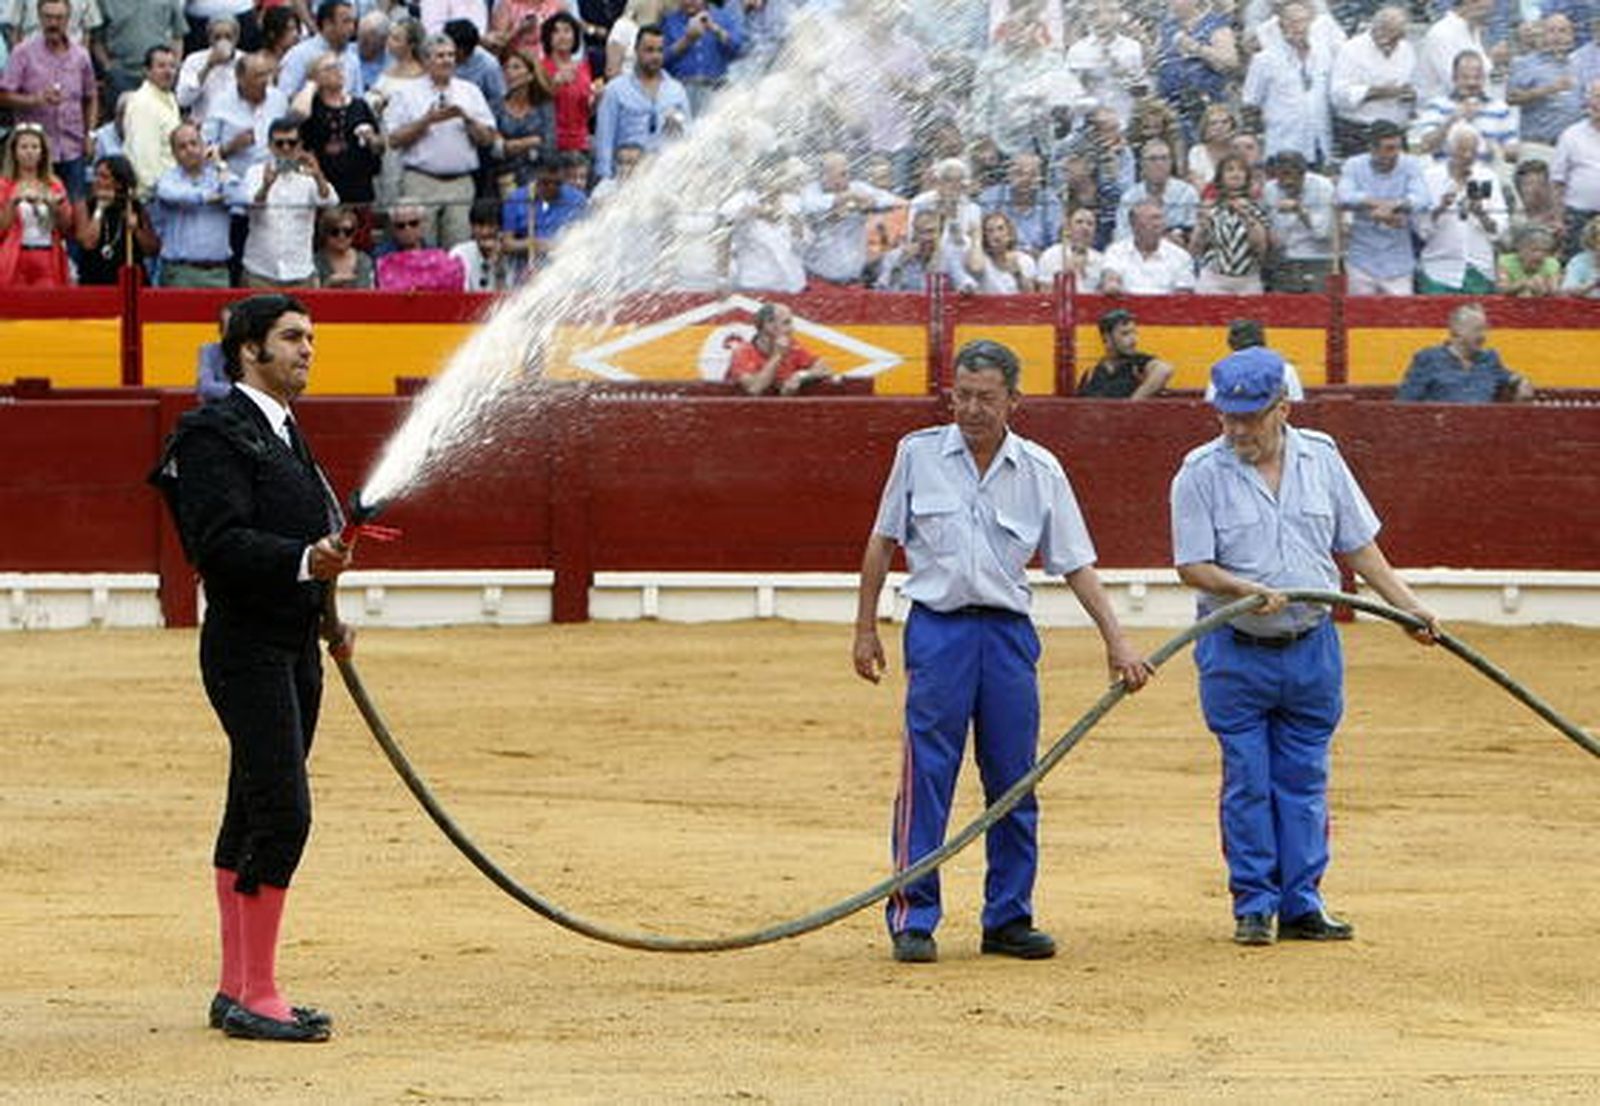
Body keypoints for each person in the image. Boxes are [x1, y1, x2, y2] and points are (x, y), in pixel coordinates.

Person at [852, 339, 1152, 965]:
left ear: (1014, 400)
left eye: (985, 397)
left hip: (1008, 637)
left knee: (1015, 779)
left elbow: (1076, 564)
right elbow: (882, 544)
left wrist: (1117, 643)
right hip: (938, 631)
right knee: (927, 777)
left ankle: (1009, 917)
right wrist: (865, 629)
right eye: (961, 395)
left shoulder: (1041, 469)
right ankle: (914, 916)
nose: (970, 408)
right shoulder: (918, 454)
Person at [1170, 346, 1440, 947]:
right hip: (1234, 649)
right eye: (1228, 417)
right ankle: (1254, 903)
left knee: (1304, 778)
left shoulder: (1323, 459)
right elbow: (1191, 564)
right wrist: (1240, 587)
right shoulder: (1198, 471)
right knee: (1248, 778)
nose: (1237, 429)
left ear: (1282, 408)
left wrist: (1406, 605)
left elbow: (1360, 548)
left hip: (1312, 646)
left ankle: (1301, 902)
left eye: (1251, 417)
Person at [146, 292, 353, 1043]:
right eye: (292, 337)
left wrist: (328, 616)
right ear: (247, 351)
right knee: (282, 812)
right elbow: (219, 545)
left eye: (310, 338)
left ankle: (236, 988)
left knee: (250, 810)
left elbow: (304, 542)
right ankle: (259, 993)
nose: (307, 349)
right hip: (245, 647)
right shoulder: (213, 434)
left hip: (293, 643)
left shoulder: (283, 432)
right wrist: (305, 559)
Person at [385, 32, 497, 249]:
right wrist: (426, 121)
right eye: (440, 56)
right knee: (421, 247)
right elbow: (394, 139)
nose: (447, 60)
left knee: (459, 249)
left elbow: (488, 138)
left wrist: (466, 118)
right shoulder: (407, 93)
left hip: (460, 182)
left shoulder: (470, 91)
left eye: (451, 55)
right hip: (420, 181)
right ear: (426, 61)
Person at [0, 0, 100, 200]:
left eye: (59, 18)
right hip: (34, 153)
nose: (53, 23)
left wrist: (90, 133)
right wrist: (34, 100)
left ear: (68, 19)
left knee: (73, 212)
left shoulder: (81, 55)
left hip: (72, 149)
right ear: (39, 17)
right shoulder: (22, 53)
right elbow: (3, 96)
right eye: (48, 17)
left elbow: (91, 96)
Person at [234, 117, 340, 288]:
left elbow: (331, 202)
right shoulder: (255, 172)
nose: (285, 148)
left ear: (300, 145)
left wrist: (319, 176)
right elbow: (249, 207)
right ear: (270, 145)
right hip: (260, 272)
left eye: (291, 143)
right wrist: (266, 186)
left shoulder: (309, 175)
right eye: (280, 143)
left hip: (300, 273)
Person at [1336, 119, 1430, 295]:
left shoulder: (1410, 164)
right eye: (1388, 148)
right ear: (1372, 149)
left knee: (1400, 317)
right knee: (1361, 318)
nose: (1395, 154)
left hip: (1398, 260)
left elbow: (1423, 198)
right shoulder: (1354, 165)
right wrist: (1377, 205)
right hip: (1362, 258)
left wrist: (1394, 206)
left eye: (1397, 147)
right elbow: (1343, 196)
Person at [591, 23, 690, 180]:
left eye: (660, 50)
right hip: (626, 177)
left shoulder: (677, 91)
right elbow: (604, 141)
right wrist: (605, 182)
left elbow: (687, 138)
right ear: (636, 51)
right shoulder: (615, 90)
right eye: (649, 50)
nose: (655, 56)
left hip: (666, 177)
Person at [1417, 122, 1505, 294]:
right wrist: (1440, 208)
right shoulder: (1430, 177)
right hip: (1438, 269)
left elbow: (1499, 230)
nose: (1467, 156)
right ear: (1449, 150)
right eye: (1462, 150)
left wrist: (1482, 215)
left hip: (1478, 268)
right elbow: (1420, 229)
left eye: (1472, 151)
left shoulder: (1487, 177)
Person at [1329, 5, 1417, 161]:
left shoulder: (1406, 49)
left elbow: (1415, 86)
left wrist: (1410, 94)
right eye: (1386, 33)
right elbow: (1338, 96)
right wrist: (1377, 92)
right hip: (1360, 133)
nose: (1390, 42)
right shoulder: (1352, 49)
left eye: (1397, 37)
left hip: (1397, 130)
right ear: (1375, 28)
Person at [1396, 302, 1535, 401]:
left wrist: (1523, 382)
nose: (1483, 335)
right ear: (1457, 330)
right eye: (1477, 329)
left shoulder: (1490, 359)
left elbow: (1513, 378)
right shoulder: (1428, 358)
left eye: (1485, 329)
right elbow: (1405, 404)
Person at [154, 121, 233, 287]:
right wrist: (205, 197)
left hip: (218, 273)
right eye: (182, 147)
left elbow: (240, 196)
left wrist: (219, 163)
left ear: (203, 146)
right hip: (181, 273)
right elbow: (168, 193)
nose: (189, 150)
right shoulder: (169, 179)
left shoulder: (218, 175)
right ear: (174, 154)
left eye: (194, 144)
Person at [0, 121, 72, 287]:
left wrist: (56, 206)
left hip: (46, 256)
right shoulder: (3, 185)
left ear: (42, 152)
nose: (29, 152)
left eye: (34, 147)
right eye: (24, 147)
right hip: (14, 257)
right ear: (14, 152)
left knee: (46, 307)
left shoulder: (54, 184)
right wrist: (13, 202)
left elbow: (66, 227)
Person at [74, 152, 159, 283]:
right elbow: (88, 243)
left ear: (119, 183)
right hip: (94, 280)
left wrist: (136, 229)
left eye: (104, 177)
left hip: (128, 281)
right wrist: (99, 210)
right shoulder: (84, 206)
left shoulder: (133, 206)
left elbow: (151, 249)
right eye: (96, 175)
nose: (97, 181)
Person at [1262, 151, 1337, 293]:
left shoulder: (1323, 187)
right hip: (1283, 259)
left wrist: (1300, 210)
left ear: (1302, 172)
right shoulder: (1270, 189)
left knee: (1315, 307)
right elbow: (1269, 225)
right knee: (1283, 308)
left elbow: (1324, 233)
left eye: (1291, 174)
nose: (1286, 182)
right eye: (1281, 175)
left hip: (1316, 258)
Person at [724, 301, 835, 396]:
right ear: (768, 325)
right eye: (786, 323)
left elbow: (826, 368)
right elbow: (754, 389)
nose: (792, 329)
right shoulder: (742, 352)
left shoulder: (792, 347)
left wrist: (800, 376)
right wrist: (777, 355)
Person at [122, 43, 181, 199]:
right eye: (161, 66)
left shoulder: (169, 98)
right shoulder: (142, 103)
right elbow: (143, 157)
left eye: (172, 66)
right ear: (147, 71)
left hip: (171, 189)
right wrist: (156, 192)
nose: (168, 72)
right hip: (154, 197)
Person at [1101, 200, 1196, 294]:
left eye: (1161, 218)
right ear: (1134, 224)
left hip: (1167, 308)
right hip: (1125, 307)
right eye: (1153, 218)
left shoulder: (1181, 256)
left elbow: (1183, 295)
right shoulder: (1116, 251)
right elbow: (1111, 283)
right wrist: (1112, 285)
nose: (1159, 224)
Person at [1079, 308, 1174, 398]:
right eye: (1125, 334)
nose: (1133, 340)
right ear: (1107, 338)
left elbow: (1164, 370)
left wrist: (1132, 404)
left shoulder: (1138, 363)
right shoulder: (1092, 372)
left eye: (1134, 333)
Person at [313, 204, 375, 287]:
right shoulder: (315, 263)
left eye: (347, 232)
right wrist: (328, 285)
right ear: (325, 233)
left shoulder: (364, 260)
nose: (342, 236)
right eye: (335, 232)